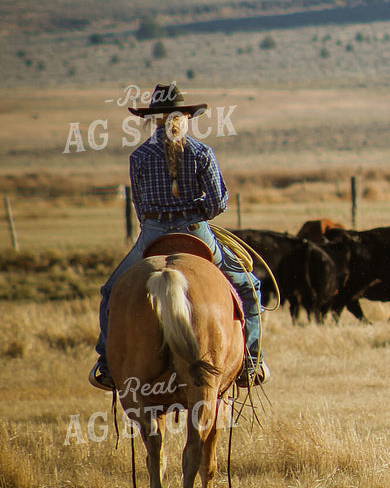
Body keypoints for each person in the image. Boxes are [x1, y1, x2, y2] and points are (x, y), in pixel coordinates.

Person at [89, 83, 268, 390]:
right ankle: (251, 361)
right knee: (249, 287)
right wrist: (194, 211)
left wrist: (158, 220)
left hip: (153, 234)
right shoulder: (202, 152)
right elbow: (218, 204)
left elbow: (141, 206)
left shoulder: (139, 156)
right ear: (185, 117)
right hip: (196, 231)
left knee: (110, 291)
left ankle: (106, 364)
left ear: (153, 119)